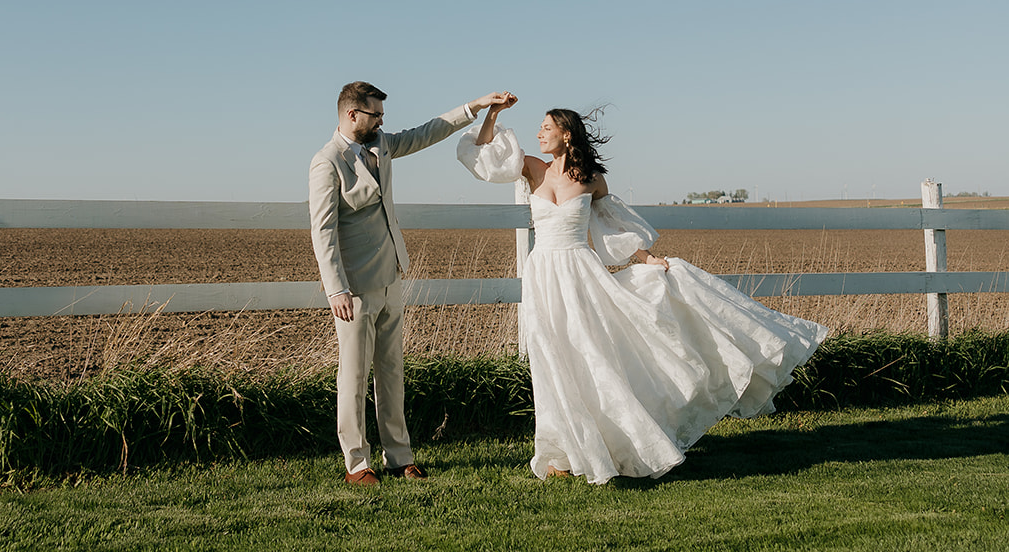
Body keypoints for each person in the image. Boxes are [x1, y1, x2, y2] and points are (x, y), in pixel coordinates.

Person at [458, 97, 827, 485]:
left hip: (581, 271)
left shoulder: (592, 180)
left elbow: (612, 224)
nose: (538, 134)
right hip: (544, 274)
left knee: (591, 354)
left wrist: (646, 258)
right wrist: (493, 114)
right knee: (552, 358)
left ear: (566, 136)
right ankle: (561, 452)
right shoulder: (534, 169)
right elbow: (480, 154)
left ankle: (617, 442)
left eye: (546, 129)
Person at [310, 81, 513, 486]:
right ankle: (357, 464)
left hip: (391, 276)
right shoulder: (326, 162)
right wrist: (336, 288)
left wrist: (473, 106)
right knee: (352, 378)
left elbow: (425, 132)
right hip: (353, 289)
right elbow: (323, 230)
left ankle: (398, 458)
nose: (383, 122)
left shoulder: (382, 145)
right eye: (376, 115)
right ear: (352, 115)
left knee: (391, 372)